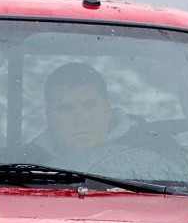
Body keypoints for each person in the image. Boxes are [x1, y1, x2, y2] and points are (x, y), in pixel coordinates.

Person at [27, 62, 177, 176]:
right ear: (49, 117)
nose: (80, 119)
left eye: (89, 105)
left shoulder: (156, 153)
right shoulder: (20, 167)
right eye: (65, 109)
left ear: (108, 109)